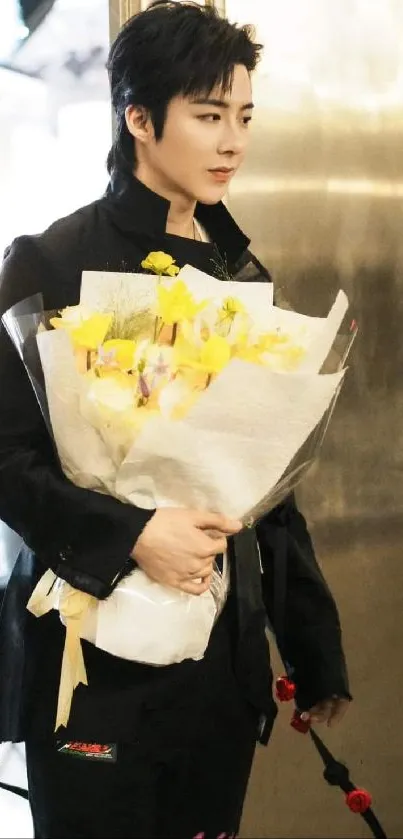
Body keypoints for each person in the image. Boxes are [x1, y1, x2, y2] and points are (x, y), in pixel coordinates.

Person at [0, 3, 351, 837]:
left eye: (243, 117)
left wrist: (311, 643)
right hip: (89, 664)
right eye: (206, 115)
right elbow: (6, 458)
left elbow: (265, 478)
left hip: (215, 670)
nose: (232, 141)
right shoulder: (50, 261)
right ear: (138, 118)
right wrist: (131, 533)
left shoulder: (241, 272)